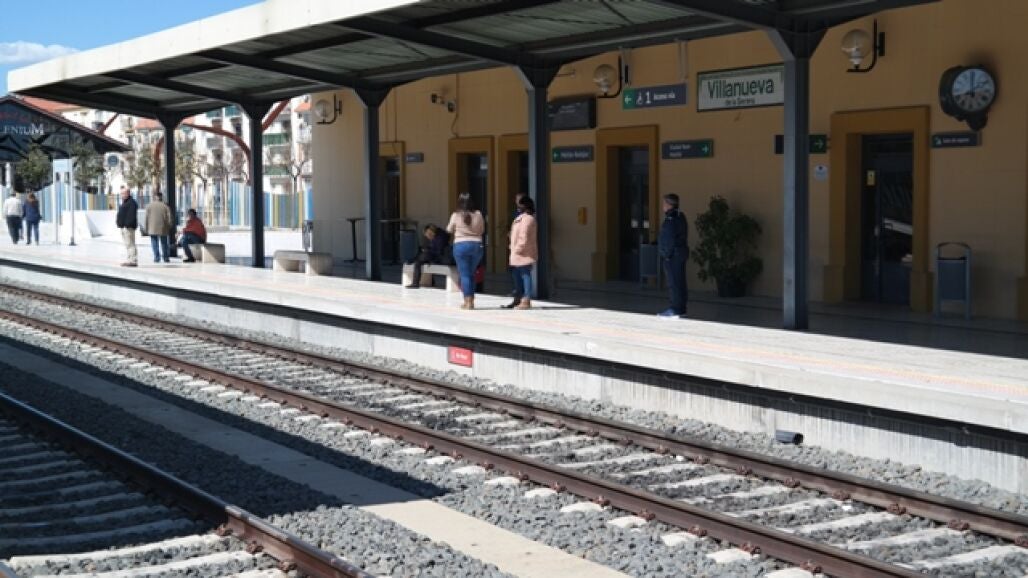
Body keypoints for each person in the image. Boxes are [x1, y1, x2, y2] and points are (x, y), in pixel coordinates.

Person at [446, 192, 485, 310]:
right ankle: (471, 300)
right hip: (477, 246)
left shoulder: (456, 215)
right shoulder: (478, 214)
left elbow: (449, 229)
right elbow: (482, 230)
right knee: (471, 273)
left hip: (461, 245)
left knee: (464, 275)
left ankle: (467, 301)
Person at [658, 193, 689, 318]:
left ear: (669, 205)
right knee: (680, 282)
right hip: (680, 253)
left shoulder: (671, 219)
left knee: (674, 283)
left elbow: (669, 239)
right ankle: (681, 308)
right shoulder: (680, 216)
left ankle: (675, 309)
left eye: (664, 203)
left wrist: (666, 255)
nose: (663, 206)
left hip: (673, 256)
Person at [505, 196, 538, 310]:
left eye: (520, 204)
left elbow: (524, 236)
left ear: (526, 205)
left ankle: (526, 299)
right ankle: (518, 298)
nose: (518, 206)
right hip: (516, 253)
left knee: (525, 275)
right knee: (516, 276)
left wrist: (517, 249)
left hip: (523, 253)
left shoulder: (528, 219)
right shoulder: (520, 218)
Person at [405, 224, 450, 288]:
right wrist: (427, 249)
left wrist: (428, 250)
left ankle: (415, 283)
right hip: (435, 255)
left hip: (441, 257)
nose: (428, 237)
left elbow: (439, 251)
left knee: (419, 260)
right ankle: (425, 281)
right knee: (420, 258)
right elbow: (434, 248)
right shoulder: (436, 236)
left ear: (431, 232)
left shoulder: (440, 237)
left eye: (428, 235)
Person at [145, 192, 173, 263]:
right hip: (163, 227)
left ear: (155, 197)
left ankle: (157, 257)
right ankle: (166, 257)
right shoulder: (165, 206)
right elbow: (169, 217)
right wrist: (169, 225)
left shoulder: (149, 206)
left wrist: (146, 227)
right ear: (161, 197)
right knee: (164, 243)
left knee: (154, 243)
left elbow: (146, 218)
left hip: (152, 227)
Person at [115, 186, 139, 267]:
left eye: (123, 193)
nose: (122, 195)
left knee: (130, 244)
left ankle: (133, 260)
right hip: (124, 227)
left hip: (128, 228)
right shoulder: (125, 202)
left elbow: (131, 216)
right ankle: (129, 259)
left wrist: (127, 224)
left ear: (128, 193)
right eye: (121, 193)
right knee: (127, 244)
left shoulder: (132, 203)